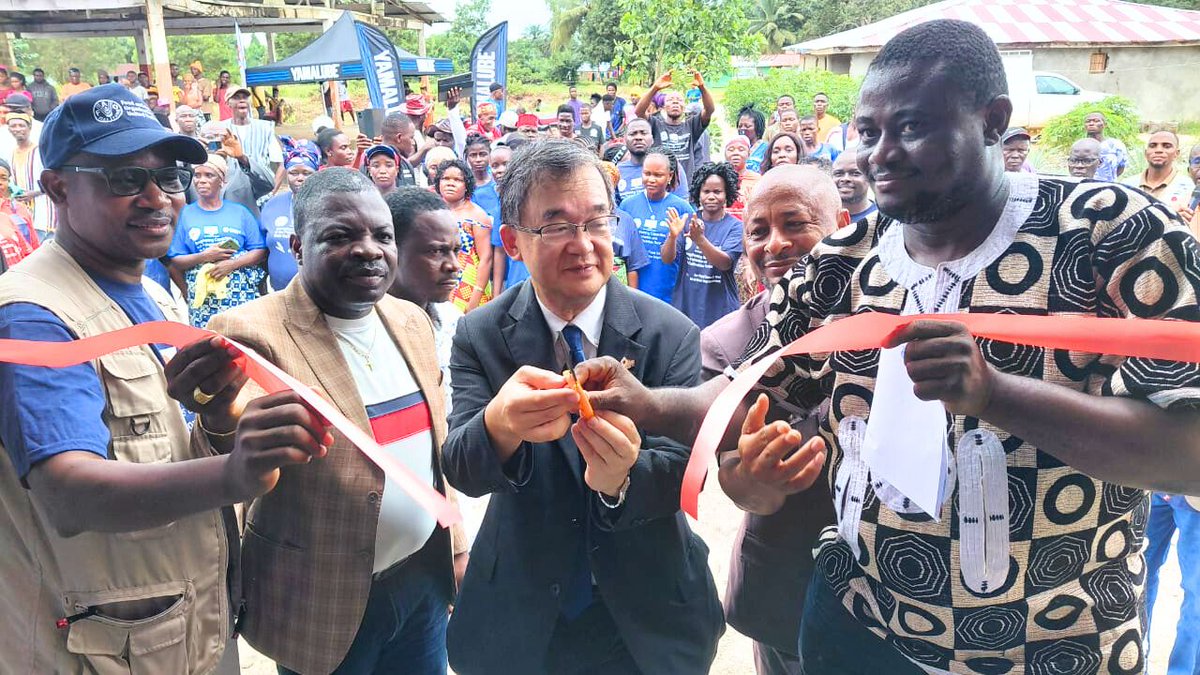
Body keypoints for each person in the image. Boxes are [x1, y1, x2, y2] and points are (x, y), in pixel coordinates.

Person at [578, 19, 1200, 674]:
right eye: (868, 132)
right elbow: (750, 389)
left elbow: (1187, 454)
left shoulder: (1112, 234)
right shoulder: (844, 262)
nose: (880, 154)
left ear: (993, 122)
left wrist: (995, 394)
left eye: (911, 127)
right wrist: (646, 403)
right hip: (860, 631)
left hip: (1055, 647)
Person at [0, 81, 321, 674]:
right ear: (58, 188)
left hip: (186, 623)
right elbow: (68, 494)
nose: (157, 197)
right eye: (125, 178)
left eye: (169, 176)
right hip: (101, 651)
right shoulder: (31, 315)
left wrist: (223, 420)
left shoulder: (154, 293)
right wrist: (236, 472)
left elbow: (168, 446)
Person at [443, 138, 724, 675]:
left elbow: (683, 475)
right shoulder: (480, 335)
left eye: (597, 221)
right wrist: (499, 426)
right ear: (513, 241)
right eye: (556, 226)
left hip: (646, 605)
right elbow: (462, 466)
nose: (584, 244)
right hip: (524, 609)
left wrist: (622, 476)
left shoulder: (671, 333)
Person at [185, 168, 469, 675]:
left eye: (382, 236)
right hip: (324, 601)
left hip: (421, 583)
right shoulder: (249, 331)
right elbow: (222, 457)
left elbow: (434, 451)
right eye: (340, 236)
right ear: (297, 245)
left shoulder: (410, 320)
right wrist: (217, 418)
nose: (368, 250)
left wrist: (457, 544)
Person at [702, 165, 845, 675]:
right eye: (758, 231)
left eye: (795, 224)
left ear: (843, 223)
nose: (775, 244)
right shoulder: (727, 341)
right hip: (787, 583)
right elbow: (738, 486)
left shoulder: (887, 314)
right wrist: (759, 480)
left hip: (898, 597)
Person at [385, 188, 463, 414]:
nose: (454, 265)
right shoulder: (367, 331)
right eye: (437, 251)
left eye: (455, 250)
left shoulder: (454, 321)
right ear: (392, 251)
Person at [167, 154, 266, 328]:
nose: (201, 181)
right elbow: (176, 260)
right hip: (203, 301)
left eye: (209, 175)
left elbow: (259, 251)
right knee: (209, 345)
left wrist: (232, 264)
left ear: (222, 181)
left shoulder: (239, 212)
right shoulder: (186, 213)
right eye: (197, 175)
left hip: (240, 297)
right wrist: (205, 256)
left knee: (242, 342)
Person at [663, 161, 743, 329]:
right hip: (686, 307)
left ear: (727, 193)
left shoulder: (735, 227)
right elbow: (667, 259)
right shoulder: (687, 220)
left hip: (720, 310)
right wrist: (672, 236)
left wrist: (700, 240)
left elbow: (725, 263)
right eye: (706, 191)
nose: (711, 196)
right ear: (698, 193)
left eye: (717, 192)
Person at [622, 146, 695, 304]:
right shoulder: (627, 205)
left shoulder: (682, 208)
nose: (651, 179)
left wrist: (673, 236)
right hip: (634, 288)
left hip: (667, 289)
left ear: (669, 176)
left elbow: (677, 257)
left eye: (658, 175)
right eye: (647, 173)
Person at [635, 68, 714, 182]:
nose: (675, 102)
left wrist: (702, 87)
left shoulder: (692, 126)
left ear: (684, 107)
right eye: (670, 100)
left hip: (686, 185)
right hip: (660, 185)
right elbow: (639, 112)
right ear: (663, 106)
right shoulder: (655, 125)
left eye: (679, 100)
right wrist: (655, 88)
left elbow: (709, 110)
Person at [260, 137, 318, 291]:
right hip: (278, 291)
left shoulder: (328, 205)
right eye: (293, 173)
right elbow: (263, 249)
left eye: (307, 173)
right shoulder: (272, 205)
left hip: (318, 292)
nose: (300, 178)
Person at [435, 158, 493, 313]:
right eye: (445, 179)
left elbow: (485, 259)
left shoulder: (477, 215)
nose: (450, 183)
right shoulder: (433, 211)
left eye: (457, 180)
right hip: (441, 279)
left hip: (470, 284)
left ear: (466, 185)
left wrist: (475, 297)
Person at [488, 142, 530, 295]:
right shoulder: (503, 206)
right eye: (495, 166)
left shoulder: (534, 197)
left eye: (506, 164)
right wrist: (496, 293)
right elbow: (499, 251)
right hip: (516, 283)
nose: (500, 170)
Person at [5, 110, 54, 241]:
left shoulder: (41, 151)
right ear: (8, 129)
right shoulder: (10, 154)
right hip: (23, 214)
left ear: (30, 128)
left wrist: (35, 192)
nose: (17, 129)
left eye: (21, 125)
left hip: (45, 211)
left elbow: (55, 177)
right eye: (13, 126)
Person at [616, 118, 688, 201]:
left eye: (643, 133)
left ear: (652, 138)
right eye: (633, 134)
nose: (638, 137)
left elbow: (683, 205)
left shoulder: (670, 166)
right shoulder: (617, 171)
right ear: (624, 139)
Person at [1125, 129, 1194, 214]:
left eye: (1167, 146)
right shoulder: (1127, 185)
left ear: (1176, 153)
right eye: (1153, 146)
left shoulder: (1187, 187)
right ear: (1146, 153)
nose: (1158, 150)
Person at [219, 86, 283, 174]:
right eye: (236, 98)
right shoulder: (220, 129)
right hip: (231, 185)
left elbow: (281, 163)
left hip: (261, 184)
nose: (242, 100)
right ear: (227, 103)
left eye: (245, 97)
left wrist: (274, 188)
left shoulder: (265, 128)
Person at [379, 111, 424, 187]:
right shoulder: (371, 161)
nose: (413, 142)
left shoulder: (404, 163)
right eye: (411, 138)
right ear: (399, 137)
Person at [723, 135, 761, 221]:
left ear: (749, 153)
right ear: (725, 154)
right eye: (731, 150)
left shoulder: (758, 180)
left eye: (741, 149)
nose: (736, 153)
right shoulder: (719, 179)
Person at [831, 151, 876, 221]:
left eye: (855, 173)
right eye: (838, 173)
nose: (845, 179)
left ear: (869, 177)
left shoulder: (881, 217)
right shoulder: (822, 216)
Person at [1085, 111, 1128, 182]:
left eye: (1096, 121)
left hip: (1109, 187)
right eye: (1088, 121)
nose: (1091, 123)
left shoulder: (1115, 145)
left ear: (1105, 124)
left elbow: (1121, 167)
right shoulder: (1080, 146)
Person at [738, 104, 769, 174]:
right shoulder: (734, 147)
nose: (742, 129)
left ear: (758, 128)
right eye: (740, 126)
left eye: (747, 126)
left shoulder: (766, 148)